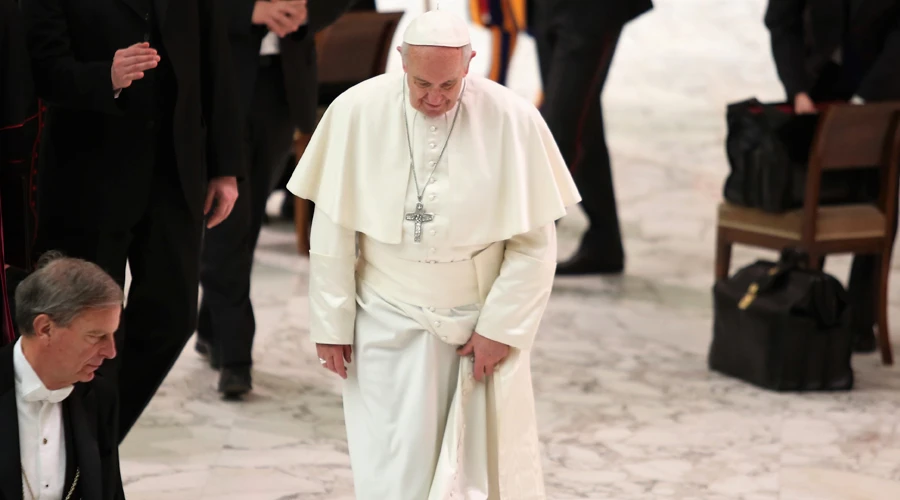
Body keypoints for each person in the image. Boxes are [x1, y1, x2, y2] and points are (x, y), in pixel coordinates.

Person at [287, 9, 579, 499]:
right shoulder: (357, 110)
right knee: (391, 466)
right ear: (401, 60)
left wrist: (501, 328)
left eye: (449, 85)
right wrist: (331, 325)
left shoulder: (512, 119)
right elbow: (333, 233)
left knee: (472, 472)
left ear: (470, 63)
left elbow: (533, 243)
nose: (435, 98)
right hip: (382, 318)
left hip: (475, 321)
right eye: (422, 84)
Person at [20, 0, 245, 441]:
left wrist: (225, 165)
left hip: (176, 173)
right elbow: (40, 68)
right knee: (81, 325)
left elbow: (216, 61)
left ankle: (96, 442)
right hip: (87, 176)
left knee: (174, 316)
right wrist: (105, 77)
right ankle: (75, 451)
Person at [198, 0, 357, 398]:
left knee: (245, 217)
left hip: (282, 85)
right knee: (227, 216)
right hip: (218, 77)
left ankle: (211, 325)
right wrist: (246, 11)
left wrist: (306, 11)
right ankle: (236, 357)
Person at [765, 0, 900, 352]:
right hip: (817, 84)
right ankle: (797, 299)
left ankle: (860, 320)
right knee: (807, 193)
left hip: (884, 88)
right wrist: (797, 90)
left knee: (879, 194)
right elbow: (782, 20)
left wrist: (864, 103)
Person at [532, 0, 653, 275]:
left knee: (560, 128)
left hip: (589, 10)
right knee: (581, 122)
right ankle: (604, 241)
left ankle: (525, 252)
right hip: (543, 8)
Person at [0, 252, 124, 500]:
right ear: (45, 329)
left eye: (112, 335)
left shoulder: (100, 397)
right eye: (95, 336)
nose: (111, 352)